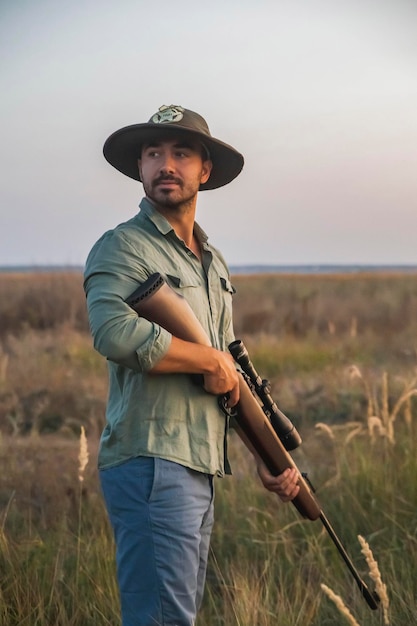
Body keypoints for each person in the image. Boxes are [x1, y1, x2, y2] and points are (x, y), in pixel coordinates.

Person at [84, 104, 300, 626]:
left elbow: (229, 374)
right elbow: (113, 333)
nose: (166, 165)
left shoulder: (212, 263)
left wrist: (265, 454)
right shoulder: (122, 246)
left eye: (181, 153)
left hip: (199, 464)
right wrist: (206, 358)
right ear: (139, 168)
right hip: (152, 460)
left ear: (205, 170)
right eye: (154, 153)